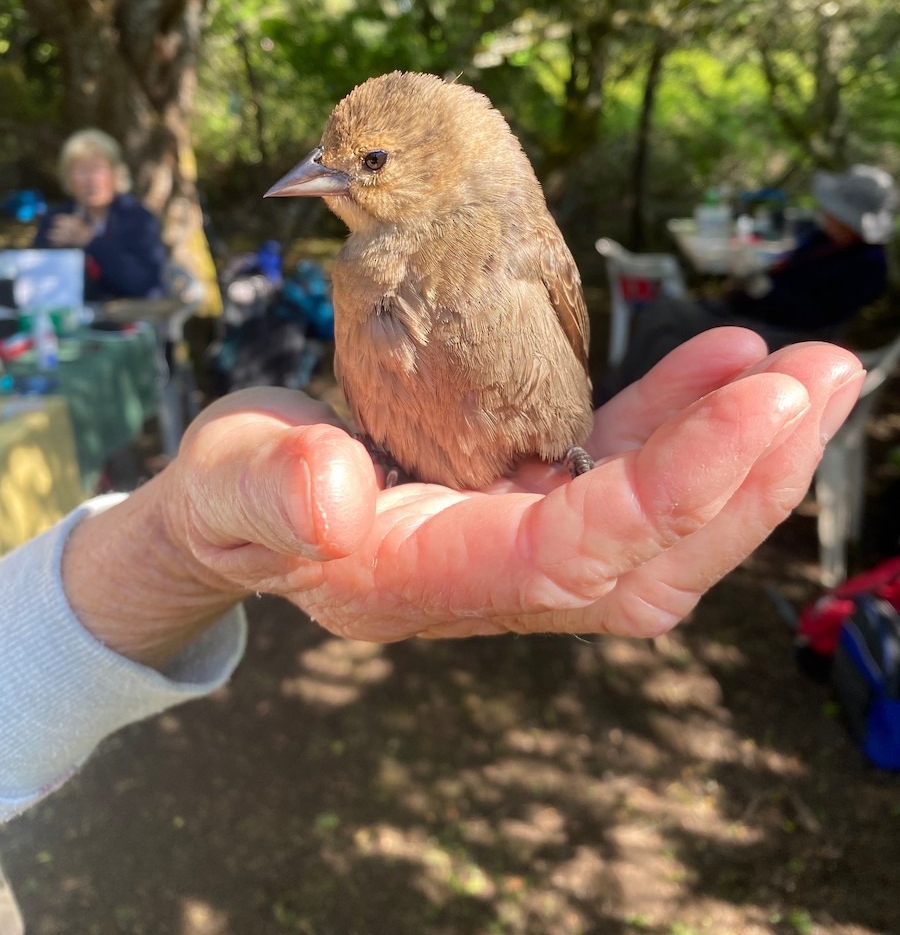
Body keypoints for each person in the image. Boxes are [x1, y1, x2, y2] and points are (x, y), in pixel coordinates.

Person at [0, 330, 864, 822]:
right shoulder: (356, 270)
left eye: (367, 162)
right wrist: (190, 532)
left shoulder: (510, 227)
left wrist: (176, 540)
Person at [610, 164, 897, 392]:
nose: (826, 212)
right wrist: (749, 281)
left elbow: (810, 314)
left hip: (785, 335)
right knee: (664, 310)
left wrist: (761, 288)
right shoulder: (824, 238)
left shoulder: (868, 266)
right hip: (751, 311)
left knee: (667, 324)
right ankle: (625, 390)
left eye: (834, 210)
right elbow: (791, 268)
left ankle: (634, 398)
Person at [33, 128, 166, 302]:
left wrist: (91, 241)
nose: (91, 179)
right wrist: (54, 251)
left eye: (98, 169)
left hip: (129, 318)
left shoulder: (137, 218)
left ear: (115, 174)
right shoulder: (57, 219)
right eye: (81, 170)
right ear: (68, 177)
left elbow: (143, 284)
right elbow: (35, 280)